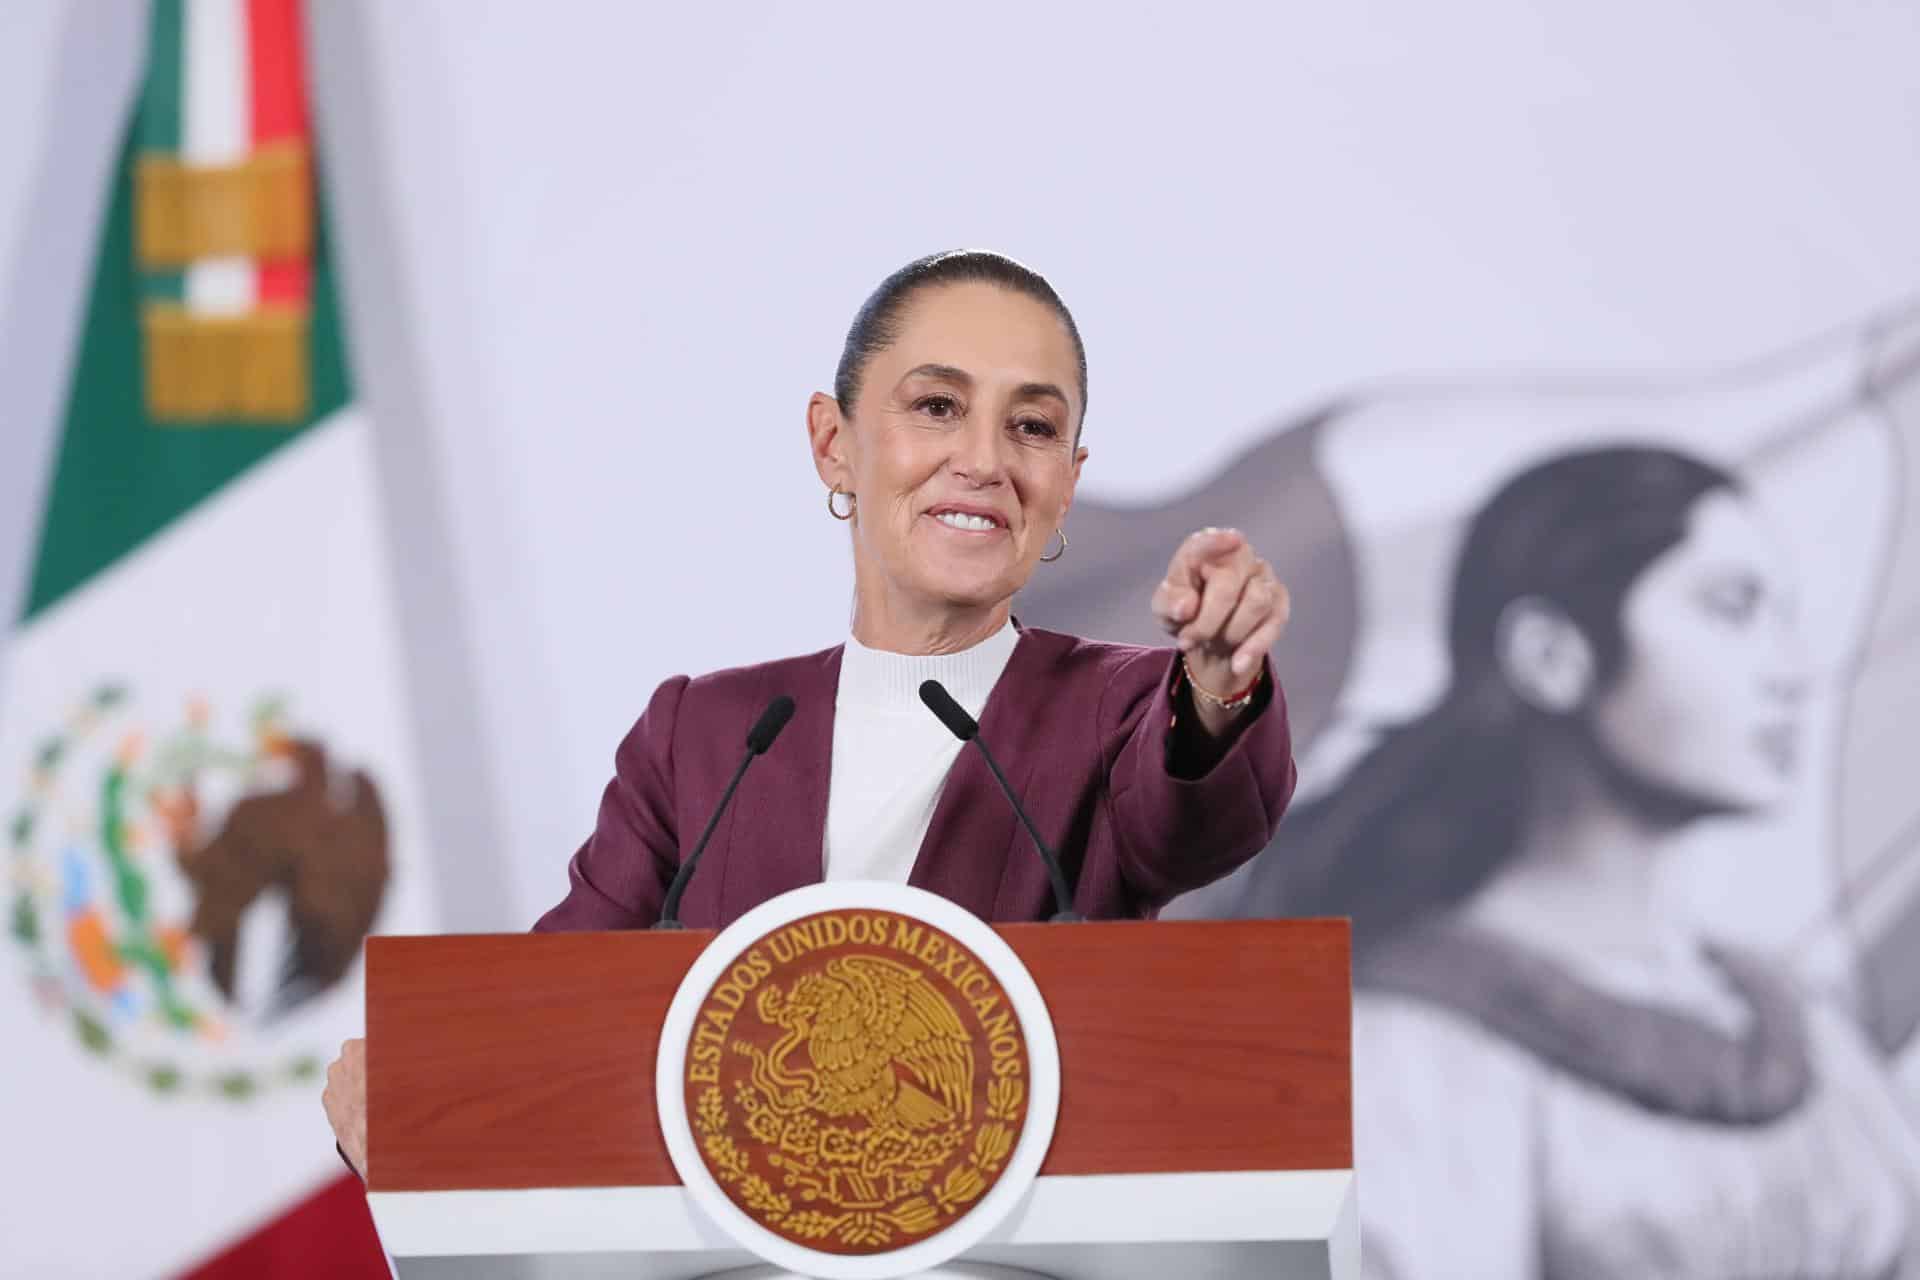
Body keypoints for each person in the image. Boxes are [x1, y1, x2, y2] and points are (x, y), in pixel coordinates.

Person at [323, 249, 1299, 1174]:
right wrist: (417, 1086)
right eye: (937, 405)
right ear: (836, 444)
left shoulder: (1119, 706)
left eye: (1032, 426)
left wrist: (1215, 677)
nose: (984, 458)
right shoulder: (706, 735)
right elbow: (556, 1014)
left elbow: (1195, 816)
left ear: (1067, 484)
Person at [1229, 446, 1920, 1278]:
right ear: (1552, 655)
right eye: (1731, 609)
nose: (1788, 671)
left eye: (1782, 615)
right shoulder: (1409, 1048)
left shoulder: (1807, 1035)